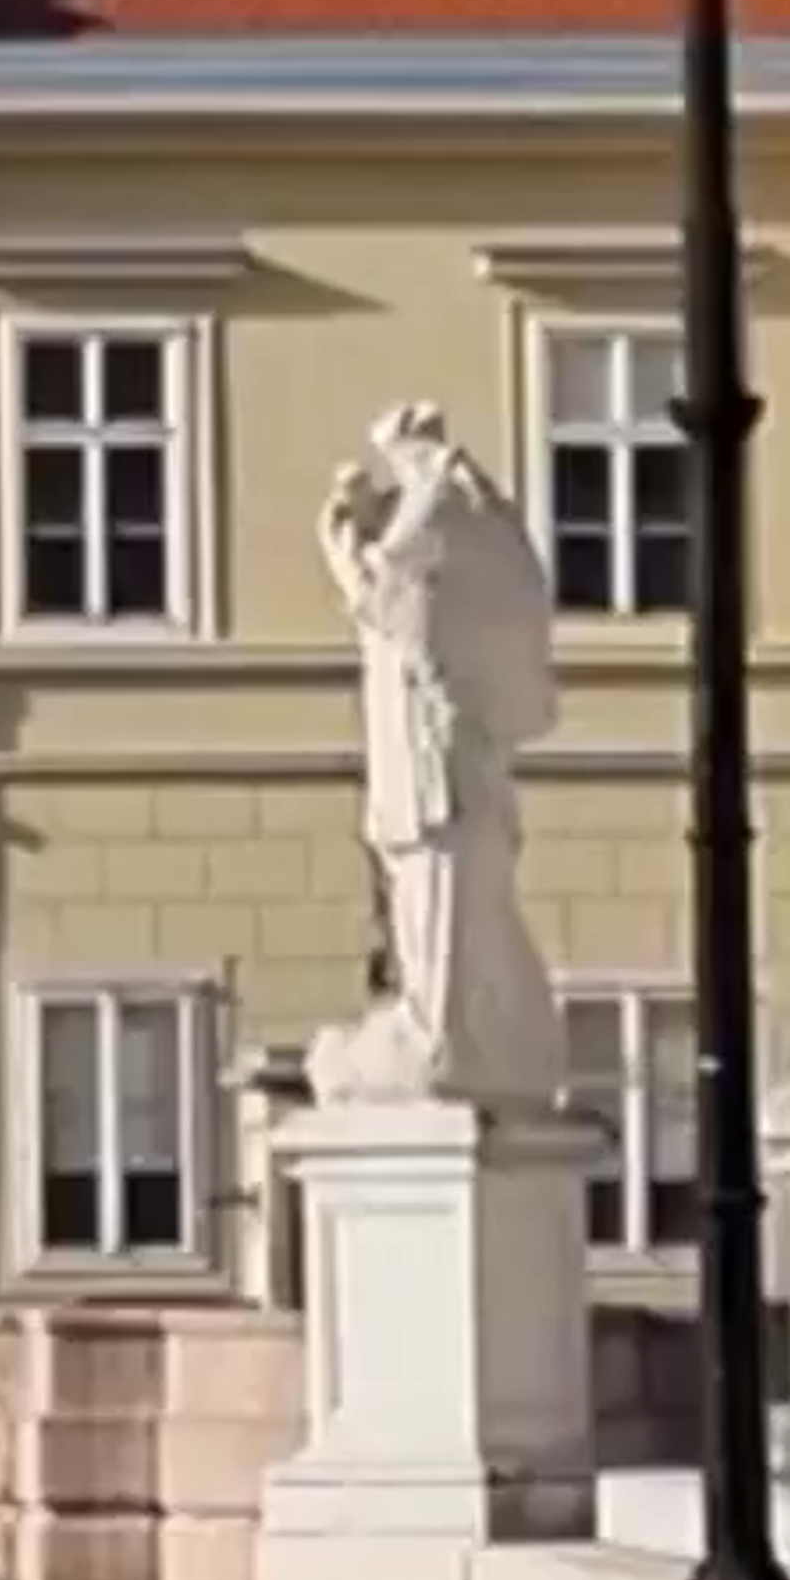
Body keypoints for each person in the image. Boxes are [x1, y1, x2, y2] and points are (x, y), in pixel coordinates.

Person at [311, 403, 561, 1107]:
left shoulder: (441, 511)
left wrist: (343, 545)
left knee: (439, 891)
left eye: (400, 453)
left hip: (433, 757)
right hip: (425, 748)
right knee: (447, 899)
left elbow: (391, 601)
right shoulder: (461, 515)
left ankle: (442, 1036)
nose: (394, 469)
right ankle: (487, 1033)